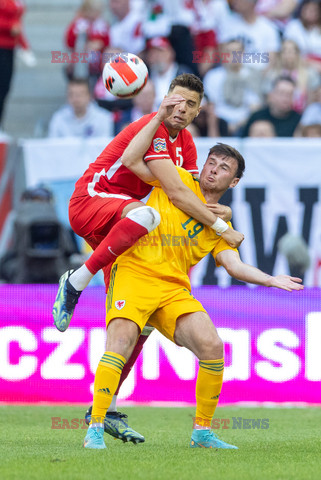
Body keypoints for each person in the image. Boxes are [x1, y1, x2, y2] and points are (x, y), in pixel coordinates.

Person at [82, 140, 303, 449]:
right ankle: (95, 427)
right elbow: (132, 160)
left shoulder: (222, 225)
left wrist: (270, 279)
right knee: (120, 342)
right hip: (134, 273)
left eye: (223, 167)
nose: (213, 169)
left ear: (234, 181)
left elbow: (233, 265)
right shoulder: (178, 179)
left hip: (173, 289)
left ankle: (201, 433)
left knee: (213, 346)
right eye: (211, 162)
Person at [52, 74, 243, 332]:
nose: (182, 108)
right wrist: (222, 227)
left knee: (131, 318)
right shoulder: (154, 128)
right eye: (177, 100)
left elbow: (194, 193)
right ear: (165, 100)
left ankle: (115, 369)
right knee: (148, 216)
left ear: (198, 112)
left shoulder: (186, 143)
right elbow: (176, 192)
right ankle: (75, 283)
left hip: (118, 223)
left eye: (190, 103)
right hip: (92, 200)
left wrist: (227, 211)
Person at [48, 78, 114, 138]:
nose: (75, 99)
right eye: (71, 95)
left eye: (80, 95)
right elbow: (52, 147)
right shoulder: (58, 118)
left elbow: (105, 147)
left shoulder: (104, 118)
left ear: (89, 96)